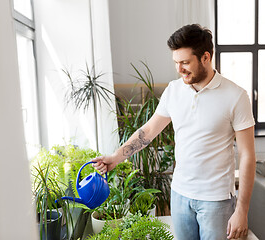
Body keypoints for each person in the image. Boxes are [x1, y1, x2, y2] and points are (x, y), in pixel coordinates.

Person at [92, 24, 256, 240]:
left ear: (206, 57)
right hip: (179, 195)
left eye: (185, 62)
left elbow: (247, 156)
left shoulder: (236, 96)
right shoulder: (174, 90)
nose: (179, 69)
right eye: (176, 63)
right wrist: (116, 157)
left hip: (216, 200)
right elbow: (148, 131)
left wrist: (242, 210)